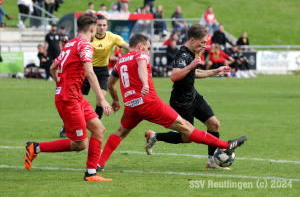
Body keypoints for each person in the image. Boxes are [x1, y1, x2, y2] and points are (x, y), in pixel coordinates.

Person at [96, 33, 247, 171]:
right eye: (148, 48)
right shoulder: (141, 54)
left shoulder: (120, 60)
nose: (148, 52)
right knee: (186, 128)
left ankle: (100, 163)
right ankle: (226, 145)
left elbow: (110, 83)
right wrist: (145, 84)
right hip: (149, 103)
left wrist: (116, 100)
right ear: (141, 46)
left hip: (131, 106)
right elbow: (142, 65)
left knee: (120, 132)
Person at [24, 12, 113, 182]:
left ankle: (91, 173)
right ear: (92, 29)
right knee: (80, 144)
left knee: (99, 129)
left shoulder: (69, 44)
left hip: (74, 96)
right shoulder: (86, 45)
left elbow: (52, 67)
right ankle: (35, 147)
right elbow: (90, 73)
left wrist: (60, 84)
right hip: (69, 99)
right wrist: (101, 99)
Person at [143, 24, 244, 170]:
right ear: (192, 40)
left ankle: (212, 161)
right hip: (181, 102)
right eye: (202, 42)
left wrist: (216, 71)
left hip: (193, 96)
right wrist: (191, 66)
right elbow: (174, 76)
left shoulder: (193, 53)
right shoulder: (183, 54)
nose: (204, 46)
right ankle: (154, 136)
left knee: (214, 124)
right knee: (187, 138)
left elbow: (193, 73)